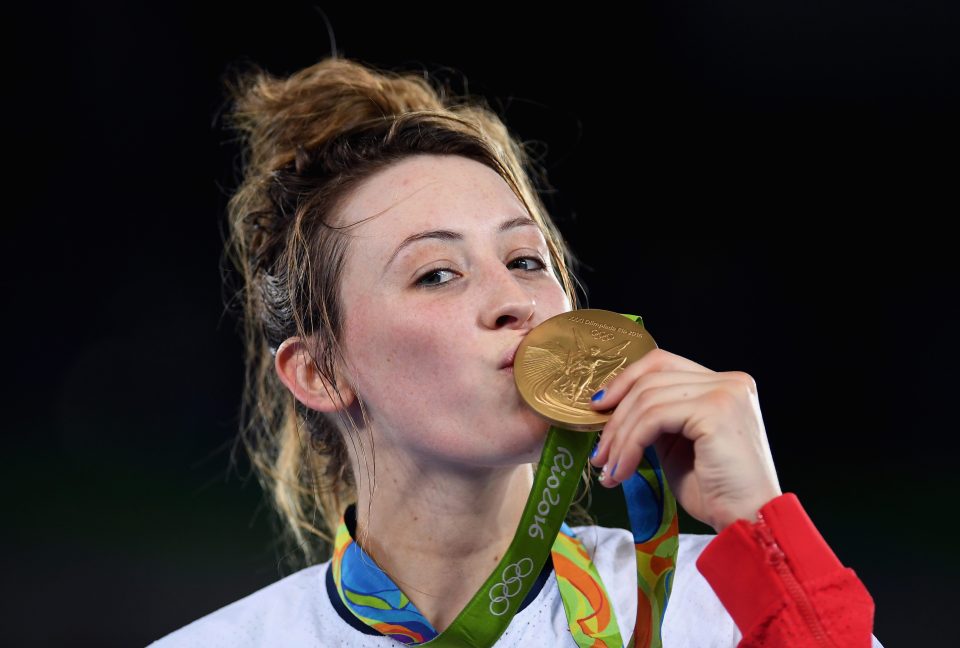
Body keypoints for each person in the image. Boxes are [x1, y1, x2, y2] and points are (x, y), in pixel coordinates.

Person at [150, 55, 885, 647]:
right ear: (320, 371)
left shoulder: (727, 611)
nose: (515, 302)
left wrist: (761, 525)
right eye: (437, 273)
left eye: (527, 261)